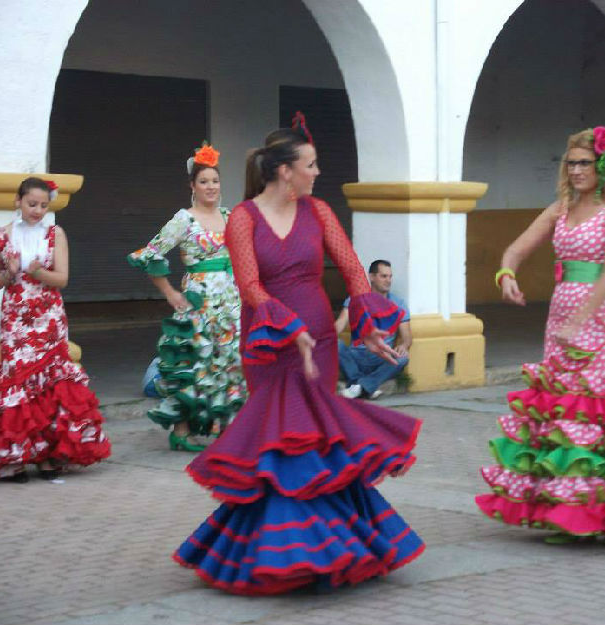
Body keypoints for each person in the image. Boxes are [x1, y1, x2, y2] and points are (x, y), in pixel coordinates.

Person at [173, 114, 424, 595]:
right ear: (285, 170)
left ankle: (328, 551)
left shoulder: (319, 211)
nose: (317, 172)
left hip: (320, 344)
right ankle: (283, 554)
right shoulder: (243, 217)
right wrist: (288, 329)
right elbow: (249, 286)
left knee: (317, 440)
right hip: (269, 345)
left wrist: (368, 327)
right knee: (278, 442)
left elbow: (352, 270)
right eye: (311, 164)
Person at [475, 127, 605, 545]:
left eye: (585, 162)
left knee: (596, 411)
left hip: (599, 316)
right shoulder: (560, 209)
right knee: (563, 414)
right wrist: (505, 273)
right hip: (562, 314)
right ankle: (567, 513)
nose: (577, 170)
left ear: (603, 167)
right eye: (571, 163)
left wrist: (581, 319)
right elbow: (514, 249)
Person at [0, 177, 111, 482]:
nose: (37, 210)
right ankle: (14, 457)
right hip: (15, 319)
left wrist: (36, 270)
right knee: (17, 380)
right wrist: (9, 273)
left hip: (49, 319)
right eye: (31, 204)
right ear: (18, 201)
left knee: (52, 383)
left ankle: (48, 456)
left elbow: (62, 279)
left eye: (43, 205)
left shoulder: (56, 234)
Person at [128, 143, 246, 451]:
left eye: (215, 181)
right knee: (194, 364)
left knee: (230, 364)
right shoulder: (184, 219)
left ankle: (227, 429)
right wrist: (169, 293)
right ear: (192, 186)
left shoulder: (230, 216)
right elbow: (149, 255)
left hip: (231, 302)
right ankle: (181, 431)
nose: (211, 187)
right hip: (198, 302)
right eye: (204, 181)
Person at [335, 259, 412, 399]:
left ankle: (359, 386)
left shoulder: (399, 304)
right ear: (372, 277)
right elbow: (341, 322)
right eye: (383, 276)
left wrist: (404, 345)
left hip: (381, 357)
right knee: (334, 344)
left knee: (403, 358)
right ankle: (363, 386)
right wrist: (327, 337)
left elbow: (407, 336)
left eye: (390, 276)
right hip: (355, 356)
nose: (388, 280)